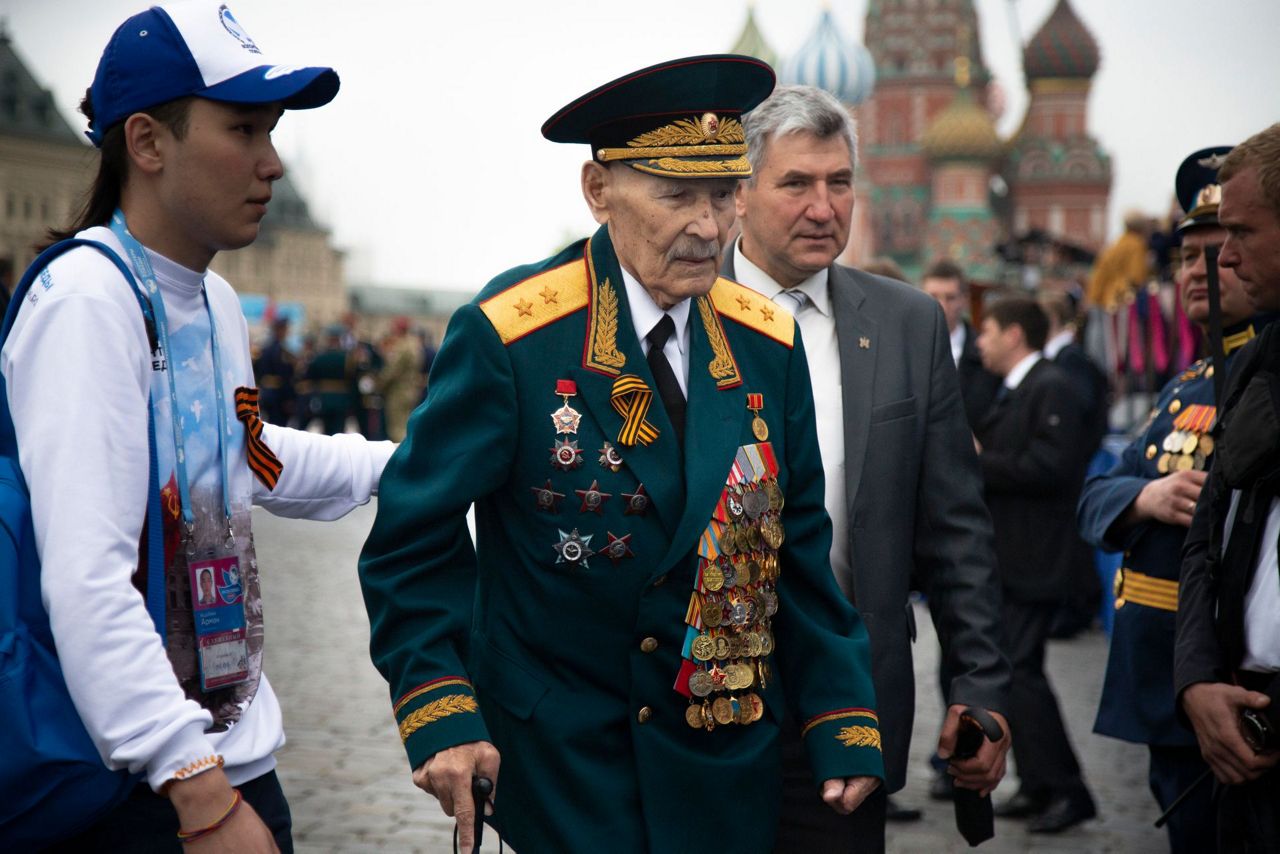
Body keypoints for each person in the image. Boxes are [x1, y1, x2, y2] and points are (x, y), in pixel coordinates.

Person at [358, 57, 884, 854]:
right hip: (563, 765)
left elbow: (797, 548)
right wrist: (442, 705)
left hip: (719, 761)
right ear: (599, 190)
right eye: (677, 197)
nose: (709, 228)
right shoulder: (513, 335)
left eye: (724, 195)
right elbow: (412, 536)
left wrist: (842, 712)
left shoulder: (764, 343)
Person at [2, 4, 393, 848]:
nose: (273, 162)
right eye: (244, 128)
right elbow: (87, 577)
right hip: (135, 786)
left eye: (273, 130)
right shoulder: (87, 301)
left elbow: (243, 461)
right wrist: (196, 789)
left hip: (234, 755)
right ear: (147, 143)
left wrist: (406, 464)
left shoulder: (212, 298)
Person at [726, 84, 1010, 852]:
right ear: (740, 194)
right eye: (796, 184)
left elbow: (957, 532)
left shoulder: (907, 323)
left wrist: (980, 688)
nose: (824, 207)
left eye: (840, 183)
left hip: (851, 705)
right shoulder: (688, 310)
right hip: (705, 708)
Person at [1080, 145, 1275, 852]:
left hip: (1235, 683)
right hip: (1167, 673)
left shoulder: (1259, 379)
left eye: (1220, 251)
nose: (1200, 273)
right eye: (1184, 260)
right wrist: (1147, 498)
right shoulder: (1187, 383)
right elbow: (1096, 496)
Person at [1176, 123, 1280, 851]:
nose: (1227, 256)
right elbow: (1208, 536)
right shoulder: (1257, 363)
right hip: (1239, 707)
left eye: (1242, 231)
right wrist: (1198, 680)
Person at [975, 296, 1098, 833]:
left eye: (988, 331)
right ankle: (1037, 783)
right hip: (1014, 557)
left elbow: (1052, 465)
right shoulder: (1023, 387)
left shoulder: (1051, 387)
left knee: (1021, 672)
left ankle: (1067, 791)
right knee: (1016, 671)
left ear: (1015, 336)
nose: (980, 341)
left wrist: (982, 461)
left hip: (1037, 558)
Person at [921, 258, 1002, 429]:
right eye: (933, 296)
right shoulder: (906, 350)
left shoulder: (986, 354)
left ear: (964, 300)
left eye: (950, 298)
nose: (941, 305)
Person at [376, 316, 424, 442]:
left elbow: (392, 371)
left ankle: (400, 458)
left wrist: (379, 384)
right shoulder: (414, 344)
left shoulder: (401, 346)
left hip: (398, 391)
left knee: (397, 429)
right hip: (411, 389)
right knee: (406, 424)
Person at [301, 325, 351, 434]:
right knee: (339, 431)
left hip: (324, 398)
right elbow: (351, 379)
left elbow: (311, 377)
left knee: (326, 431)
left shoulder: (319, 357)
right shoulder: (347, 358)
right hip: (341, 399)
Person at [253, 317, 297, 427]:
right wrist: (290, 398)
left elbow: (256, 371)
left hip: (265, 393)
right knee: (278, 426)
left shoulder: (264, 350)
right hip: (279, 396)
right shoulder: (282, 352)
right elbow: (286, 376)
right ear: (280, 330)